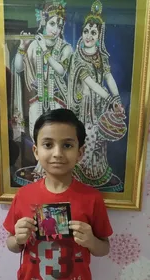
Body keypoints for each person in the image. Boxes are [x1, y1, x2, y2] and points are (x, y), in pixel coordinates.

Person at [3, 108, 113, 280]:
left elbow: (104, 248)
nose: (57, 153)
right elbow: (11, 244)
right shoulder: (23, 195)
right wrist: (18, 239)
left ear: (80, 152)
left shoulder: (91, 198)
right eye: (48, 144)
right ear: (35, 151)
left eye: (67, 145)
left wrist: (91, 241)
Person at [68, 0, 127, 192]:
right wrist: (111, 100)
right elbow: (91, 84)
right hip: (84, 107)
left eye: (93, 32)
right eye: (86, 31)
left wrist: (117, 99)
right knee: (87, 139)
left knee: (99, 142)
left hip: (100, 106)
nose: (88, 36)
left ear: (99, 35)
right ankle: (78, 179)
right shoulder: (78, 57)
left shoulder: (102, 57)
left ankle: (94, 177)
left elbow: (108, 77)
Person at [14, 0, 72, 181]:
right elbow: (18, 68)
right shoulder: (34, 45)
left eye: (59, 25)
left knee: (56, 137)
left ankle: (48, 171)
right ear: (44, 23)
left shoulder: (66, 48)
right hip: (37, 100)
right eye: (52, 24)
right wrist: (23, 48)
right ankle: (42, 168)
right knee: (36, 133)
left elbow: (61, 70)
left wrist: (46, 52)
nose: (56, 29)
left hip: (57, 100)